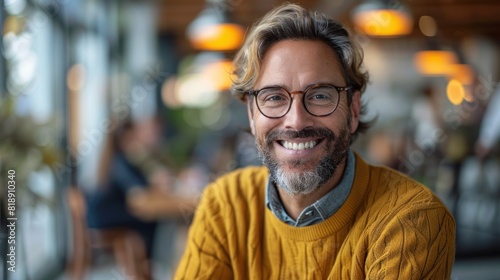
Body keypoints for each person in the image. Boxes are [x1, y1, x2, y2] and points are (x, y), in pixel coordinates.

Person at [175, 3, 456, 279]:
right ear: (251, 114)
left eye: (320, 95)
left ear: (353, 110)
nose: (296, 121)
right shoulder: (223, 207)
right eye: (274, 97)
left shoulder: (410, 220)